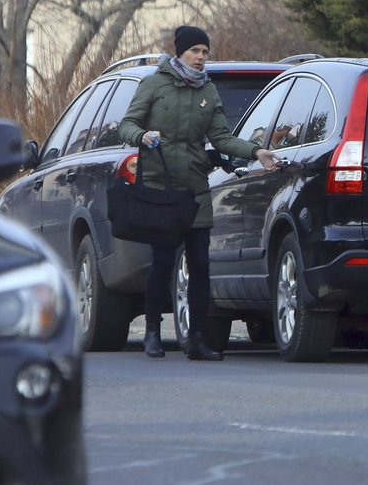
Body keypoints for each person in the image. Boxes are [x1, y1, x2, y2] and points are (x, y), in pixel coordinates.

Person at [119, 25, 278, 360]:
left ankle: (197, 340)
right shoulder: (154, 85)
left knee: (200, 264)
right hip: (160, 186)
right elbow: (127, 125)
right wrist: (142, 136)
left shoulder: (208, 91)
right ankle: (152, 333)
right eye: (196, 51)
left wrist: (255, 152)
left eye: (205, 52)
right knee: (161, 263)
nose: (202, 57)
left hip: (195, 188)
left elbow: (221, 138)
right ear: (181, 52)